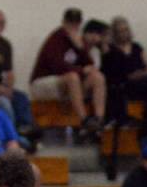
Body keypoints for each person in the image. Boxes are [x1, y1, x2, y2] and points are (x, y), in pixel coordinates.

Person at [30, 8, 105, 140]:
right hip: (44, 82)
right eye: (70, 23)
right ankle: (84, 120)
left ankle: (98, 120)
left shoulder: (79, 41)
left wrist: (80, 48)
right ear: (64, 22)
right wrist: (81, 70)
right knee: (72, 77)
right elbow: (57, 66)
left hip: (67, 84)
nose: (73, 26)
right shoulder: (56, 39)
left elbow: (89, 65)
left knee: (97, 77)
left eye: (76, 23)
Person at [101, 16, 147, 124]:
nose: (123, 33)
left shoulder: (137, 47)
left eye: (125, 30)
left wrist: (144, 73)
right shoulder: (111, 50)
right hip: (121, 83)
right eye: (119, 31)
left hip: (141, 81)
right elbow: (110, 71)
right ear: (115, 33)